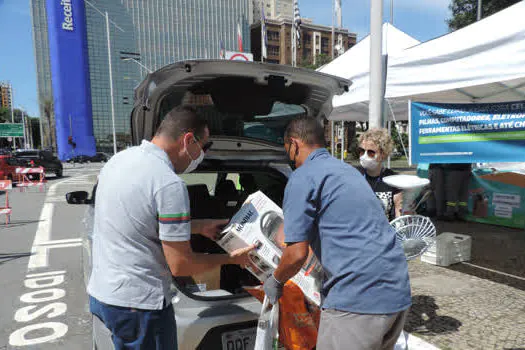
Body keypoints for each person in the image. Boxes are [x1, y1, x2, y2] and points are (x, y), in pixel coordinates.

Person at [87, 106, 253, 350]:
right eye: (203, 147)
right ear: (188, 140)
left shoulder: (119, 160)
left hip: (105, 295)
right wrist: (231, 259)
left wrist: (198, 227)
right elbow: (181, 265)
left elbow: (140, 221)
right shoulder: (168, 183)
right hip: (140, 305)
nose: (201, 155)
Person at [263, 116, 411, 350]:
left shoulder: (303, 177)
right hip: (396, 293)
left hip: (357, 301)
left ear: (294, 144)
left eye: (286, 149)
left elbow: (296, 253)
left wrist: (276, 280)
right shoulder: (348, 172)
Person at [356, 128, 403, 221]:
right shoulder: (353, 176)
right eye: (362, 151)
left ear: (383, 154)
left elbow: (399, 212)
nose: (364, 156)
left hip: (384, 233)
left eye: (371, 152)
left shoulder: (393, 180)